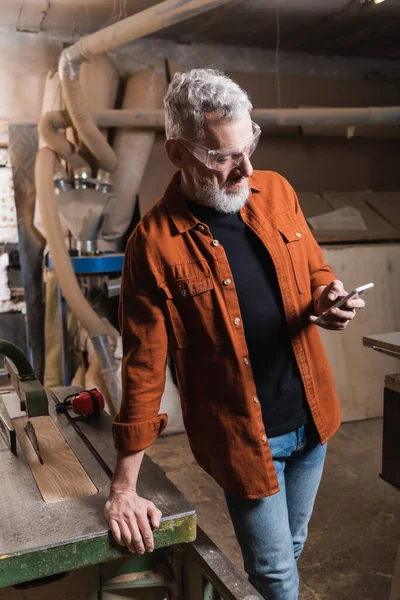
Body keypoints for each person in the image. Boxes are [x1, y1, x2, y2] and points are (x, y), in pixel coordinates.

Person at [105, 69, 365, 600]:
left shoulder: (276, 192)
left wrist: (326, 299)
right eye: (223, 157)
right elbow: (143, 369)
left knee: (288, 548)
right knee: (272, 573)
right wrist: (124, 488)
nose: (245, 168)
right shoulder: (152, 246)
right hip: (247, 439)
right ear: (179, 154)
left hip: (313, 418)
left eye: (250, 147)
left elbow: (314, 270)